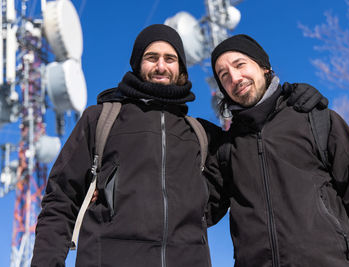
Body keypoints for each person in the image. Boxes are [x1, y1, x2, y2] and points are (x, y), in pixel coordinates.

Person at [31, 24, 324, 266]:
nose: (161, 65)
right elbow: (60, 201)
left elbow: (256, 145)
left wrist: (286, 98)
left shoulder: (202, 134)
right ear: (138, 64)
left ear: (181, 69)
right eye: (151, 57)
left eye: (170, 59)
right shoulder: (101, 120)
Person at [206, 34, 349, 267]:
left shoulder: (315, 119)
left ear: (264, 68)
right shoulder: (226, 149)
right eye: (224, 75)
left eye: (240, 65)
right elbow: (191, 211)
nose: (235, 78)